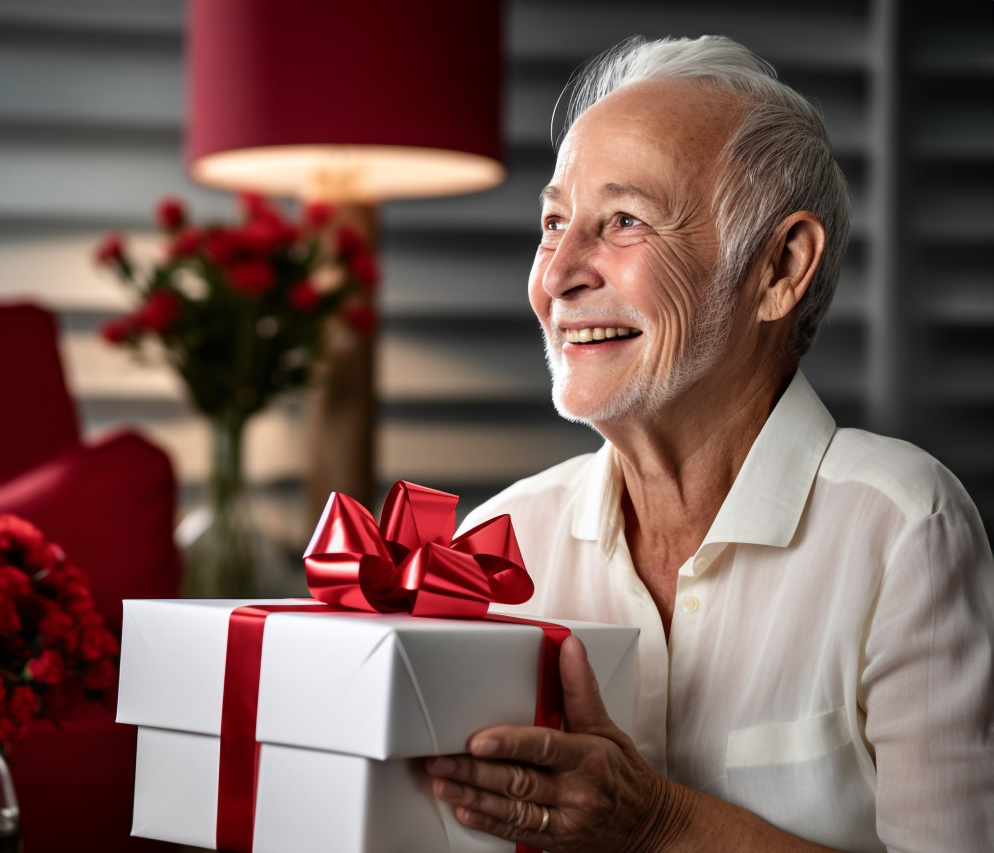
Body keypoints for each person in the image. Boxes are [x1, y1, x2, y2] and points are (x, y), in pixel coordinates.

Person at [425, 35, 994, 852]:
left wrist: (658, 821)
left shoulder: (902, 527)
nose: (556, 275)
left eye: (624, 221)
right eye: (554, 222)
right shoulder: (500, 540)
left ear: (778, 268)